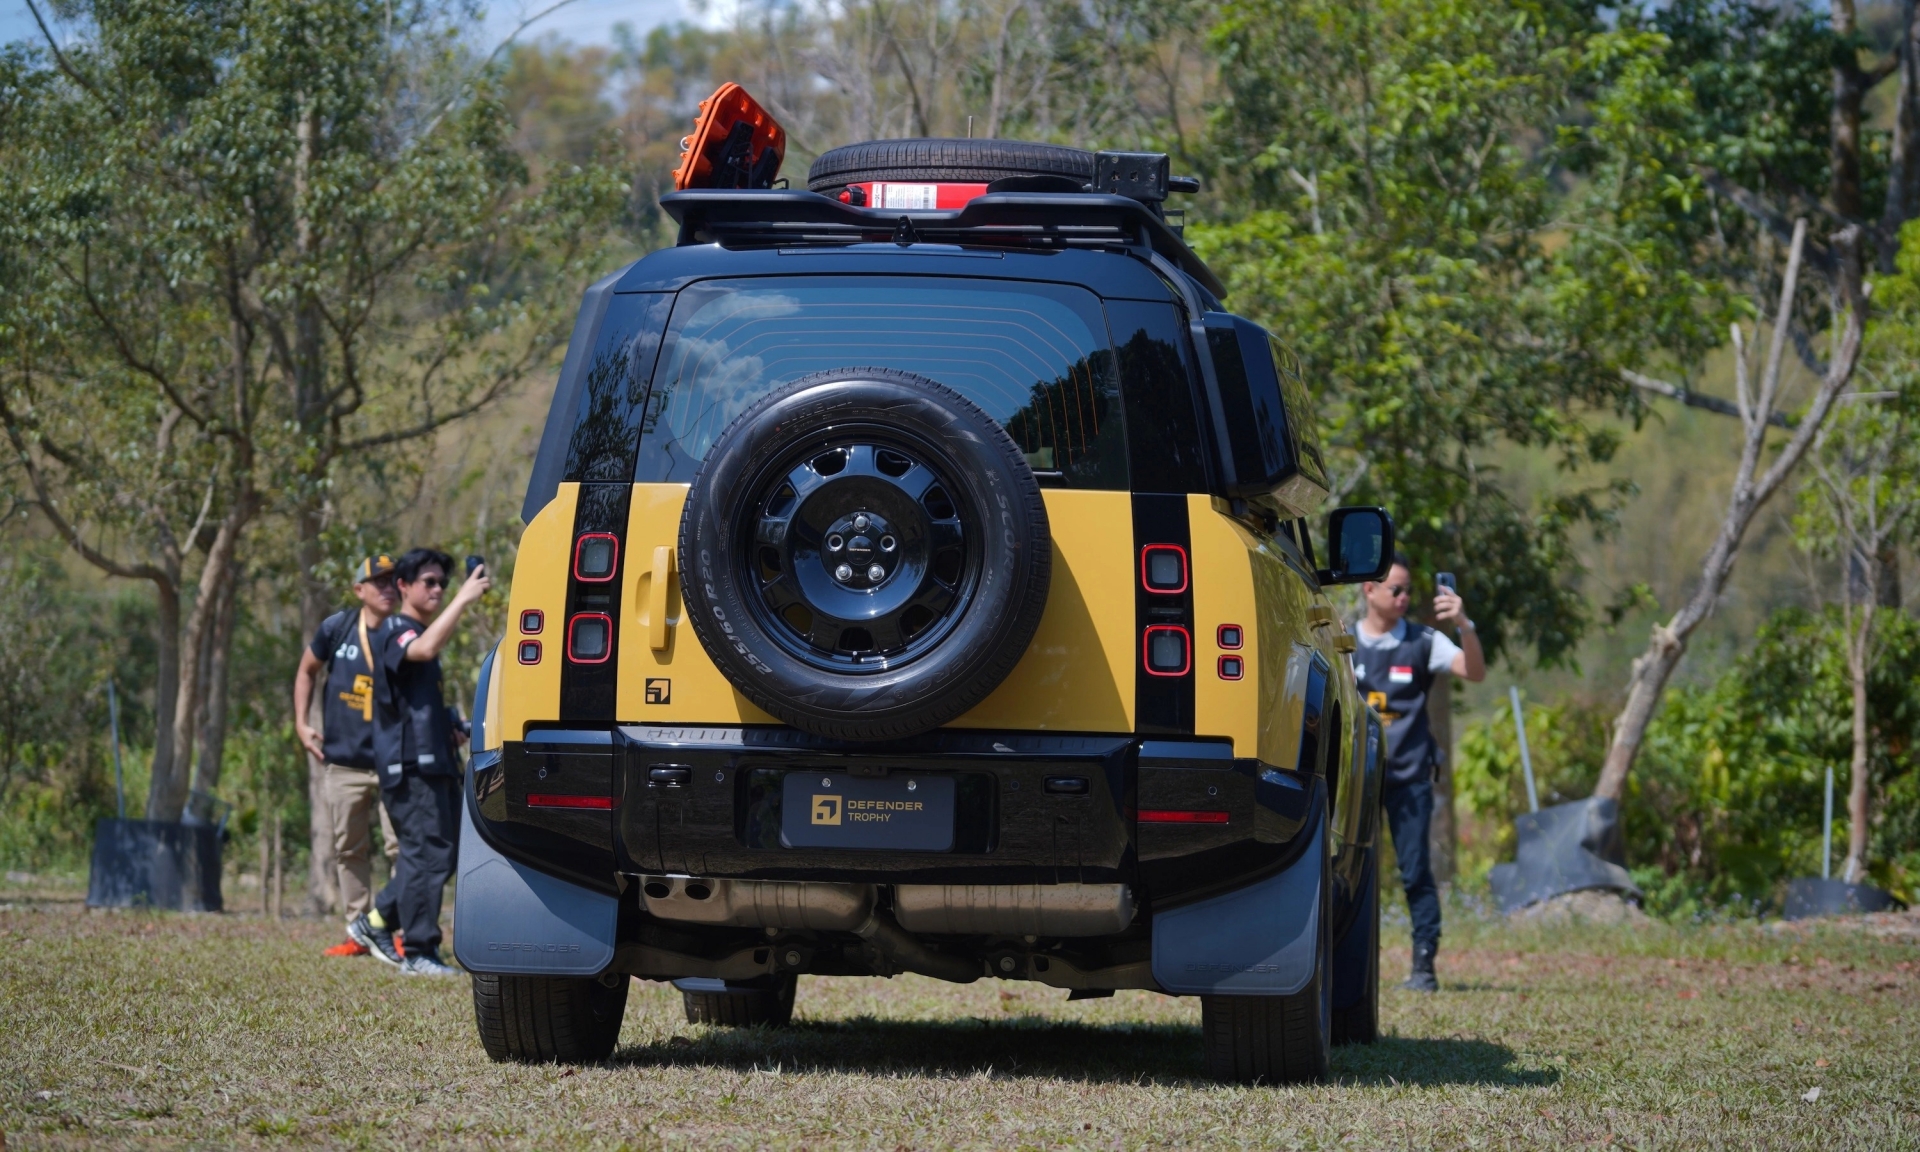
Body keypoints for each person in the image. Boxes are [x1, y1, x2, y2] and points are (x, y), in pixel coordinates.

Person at [348, 548, 490, 976]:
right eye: (429, 582)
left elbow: (415, 702)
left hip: (435, 762)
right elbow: (423, 650)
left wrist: (450, 726)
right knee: (427, 854)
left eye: (443, 584)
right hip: (410, 767)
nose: (438, 590)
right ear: (403, 587)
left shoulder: (416, 633)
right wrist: (463, 598)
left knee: (438, 856)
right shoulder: (395, 629)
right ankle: (418, 950)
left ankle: (375, 923)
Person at [1351, 552, 1485, 993]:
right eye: (1397, 589)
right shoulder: (1343, 643)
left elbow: (1475, 673)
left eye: (1409, 589)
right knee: (1348, 872)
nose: (1406, 597)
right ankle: (1348, 968)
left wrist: (1464, 625)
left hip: (1410, 777)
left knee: (1415, 873)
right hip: (1356, 783)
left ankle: (1424, 968)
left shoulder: (1425, 641)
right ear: (1369, 590)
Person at [293, 555, 404, 956]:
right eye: (379, 582)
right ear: (359, 590)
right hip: (343, 763)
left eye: (393, 581)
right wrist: (302, 723)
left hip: (395, 763)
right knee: (349, 849)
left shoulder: (404, 632)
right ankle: (358, 933)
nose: (388, 588)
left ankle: (400, 932)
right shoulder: (336, 628)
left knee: (402, 849)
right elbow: (306, 670)